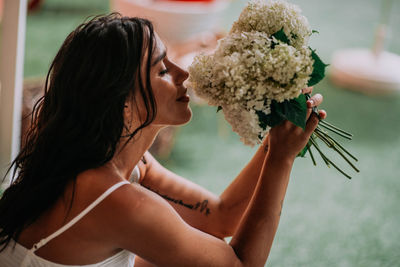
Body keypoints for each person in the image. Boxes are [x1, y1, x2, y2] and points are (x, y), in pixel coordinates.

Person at [0, 14, 326, 267]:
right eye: (161, 70)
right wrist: (281, 159)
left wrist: (277, 136)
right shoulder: (118, 201)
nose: (182, 73)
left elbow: (221, 216)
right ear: (123, 103)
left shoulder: (110, 153)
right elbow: (241, 264)